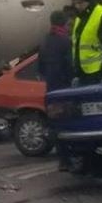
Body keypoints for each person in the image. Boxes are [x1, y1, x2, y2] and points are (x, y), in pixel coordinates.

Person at [38, 9, 76, 171]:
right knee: (68, 121)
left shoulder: (45, 41)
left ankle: (62, 159)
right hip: (64, 87)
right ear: (64, 23)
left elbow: (40, 65)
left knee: (56, 122)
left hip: (51, 89)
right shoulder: (65, 41)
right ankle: (70, 158)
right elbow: (69, 65)